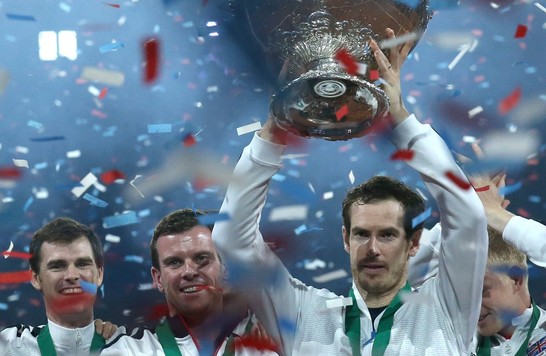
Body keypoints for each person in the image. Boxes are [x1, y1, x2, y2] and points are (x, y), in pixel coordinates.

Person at [213, 28, 489, 355]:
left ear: (413, 243)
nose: (371, 249)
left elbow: (468, 216)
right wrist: (274, 130)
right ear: (345, 239)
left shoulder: (446, 310)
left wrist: (400, 119)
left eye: (387, 235)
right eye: (361, 234)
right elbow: (230, 239)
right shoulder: (305, 315)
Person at [409, 158, 546, 355]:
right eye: (465, 291)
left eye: (481, 290)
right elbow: (403, 278)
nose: (471, 302)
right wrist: (465, 216)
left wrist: (495, 215)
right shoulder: (454, 340)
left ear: (516, 278)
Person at [102, 208, 278, 355]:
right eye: (175, 262)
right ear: (158, 278)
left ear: (225, 269)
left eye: (202, 258)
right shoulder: (128, 351)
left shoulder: (265, 347)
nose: (189, 272)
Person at [0, 217, 121, 355]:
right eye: (57, 266)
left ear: (99, 275)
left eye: (82, 264)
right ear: (35, 278)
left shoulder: (127, 346)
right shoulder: (9, 347)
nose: (72, 275)